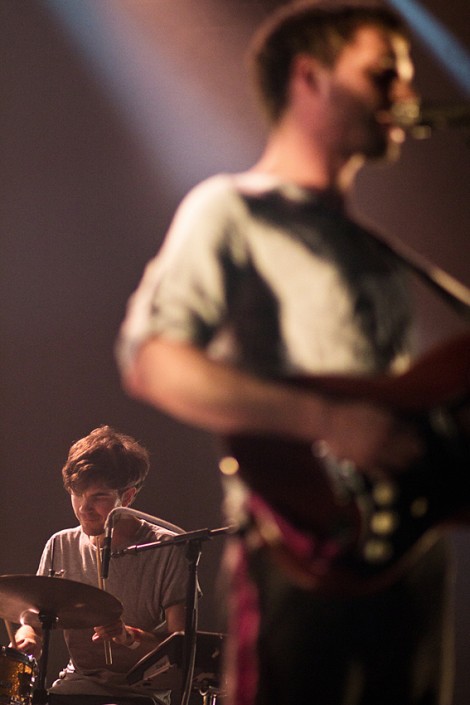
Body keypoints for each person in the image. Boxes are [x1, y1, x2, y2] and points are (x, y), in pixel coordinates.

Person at [116, 3, 460, 704]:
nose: (404, 95)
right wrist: (330, 421)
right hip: (300, 555)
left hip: (410, 561)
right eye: (383, 75)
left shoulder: (380, 255)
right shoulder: (231, 209)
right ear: (311, 77)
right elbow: (152, 358)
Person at [14, 425, 189, 705]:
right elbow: (32, 618)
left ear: (128, 497)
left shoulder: (169, 548)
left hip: (141, 693)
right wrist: (28, 633)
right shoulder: (60, 544)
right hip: (75, 686)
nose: (84, 507)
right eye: (77, 493)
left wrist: (128, 636)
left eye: (99, 497)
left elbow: (183, 648)